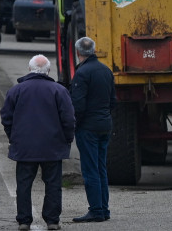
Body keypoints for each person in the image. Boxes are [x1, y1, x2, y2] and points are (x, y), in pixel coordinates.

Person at [1, 54, 75, 231]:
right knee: (53, 184)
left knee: (24, 185)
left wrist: (14, 137)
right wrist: (67, 139)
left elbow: (6, 118)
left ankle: (24, 221)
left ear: (29, 69)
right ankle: (52, 221)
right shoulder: (59, 90)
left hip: (25, 147)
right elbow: (69, 119)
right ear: (48, 71)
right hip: (53, 146)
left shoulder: (16, 90)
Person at [70, 37, 117, 223]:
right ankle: (104, 209)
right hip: (105, 124)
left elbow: (78, 106)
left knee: (90, 170)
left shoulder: (82, 73)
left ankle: (96, 210)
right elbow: (113, 100)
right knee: (101, 168)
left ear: (77, 52)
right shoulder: (106, 71)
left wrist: (73, 125)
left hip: (88, 127)